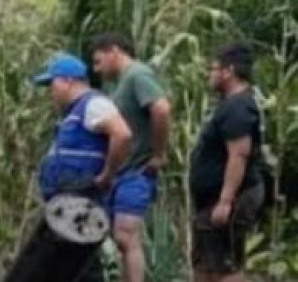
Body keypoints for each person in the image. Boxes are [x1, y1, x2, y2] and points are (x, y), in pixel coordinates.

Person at [88, 33, 171, 282]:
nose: (97, 69)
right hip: (122, 172)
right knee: (120, 239)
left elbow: (161, 108)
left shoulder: (137, 74)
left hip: (137, 171)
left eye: (98, 61)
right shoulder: (120, 82)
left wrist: (158, 154)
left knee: (126, 235)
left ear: (114, 51)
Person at [189, 43, 266, 282]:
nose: (209, 74)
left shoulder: (238, 107)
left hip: (229, 198)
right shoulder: (234, 104)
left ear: (228, 70)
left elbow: (239, 155)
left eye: (213, 68)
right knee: (209, 265)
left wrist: (225, 201)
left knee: (224, 267)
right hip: (215, 199)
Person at [34, 53, 132, 203]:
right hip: (66, 201)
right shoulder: (72, 112)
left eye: (52, 84)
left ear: (67, 81)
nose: (50, 92)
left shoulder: (94, 104)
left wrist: (107, 175)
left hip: (84, 202)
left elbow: (122, 134)